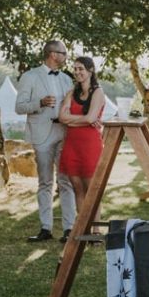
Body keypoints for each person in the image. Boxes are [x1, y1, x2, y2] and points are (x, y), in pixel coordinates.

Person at [15, 40, 76, 242]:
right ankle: (46, 228)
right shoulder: (30, 76)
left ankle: (69, 228)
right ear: (52, 54)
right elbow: (19, 107)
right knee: (45, 182)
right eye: (63, 53)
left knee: (66, 181)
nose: (65, 56)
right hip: (42, 134)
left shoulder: (67, 79)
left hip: (64, 132)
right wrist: (39, 103)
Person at [58, 56, 105, 215]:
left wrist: (72, 120)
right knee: (77, 189)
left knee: (92, 190)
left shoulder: (98, 92)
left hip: (90, 146)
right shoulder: (71, 93)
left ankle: (96, 230)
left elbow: (91, 118)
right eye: (75, 69)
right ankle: (82, 229)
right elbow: (62, 118)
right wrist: (83, 120)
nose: (77, 72)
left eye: (81, 69)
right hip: (72, 146)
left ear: (90, 70)